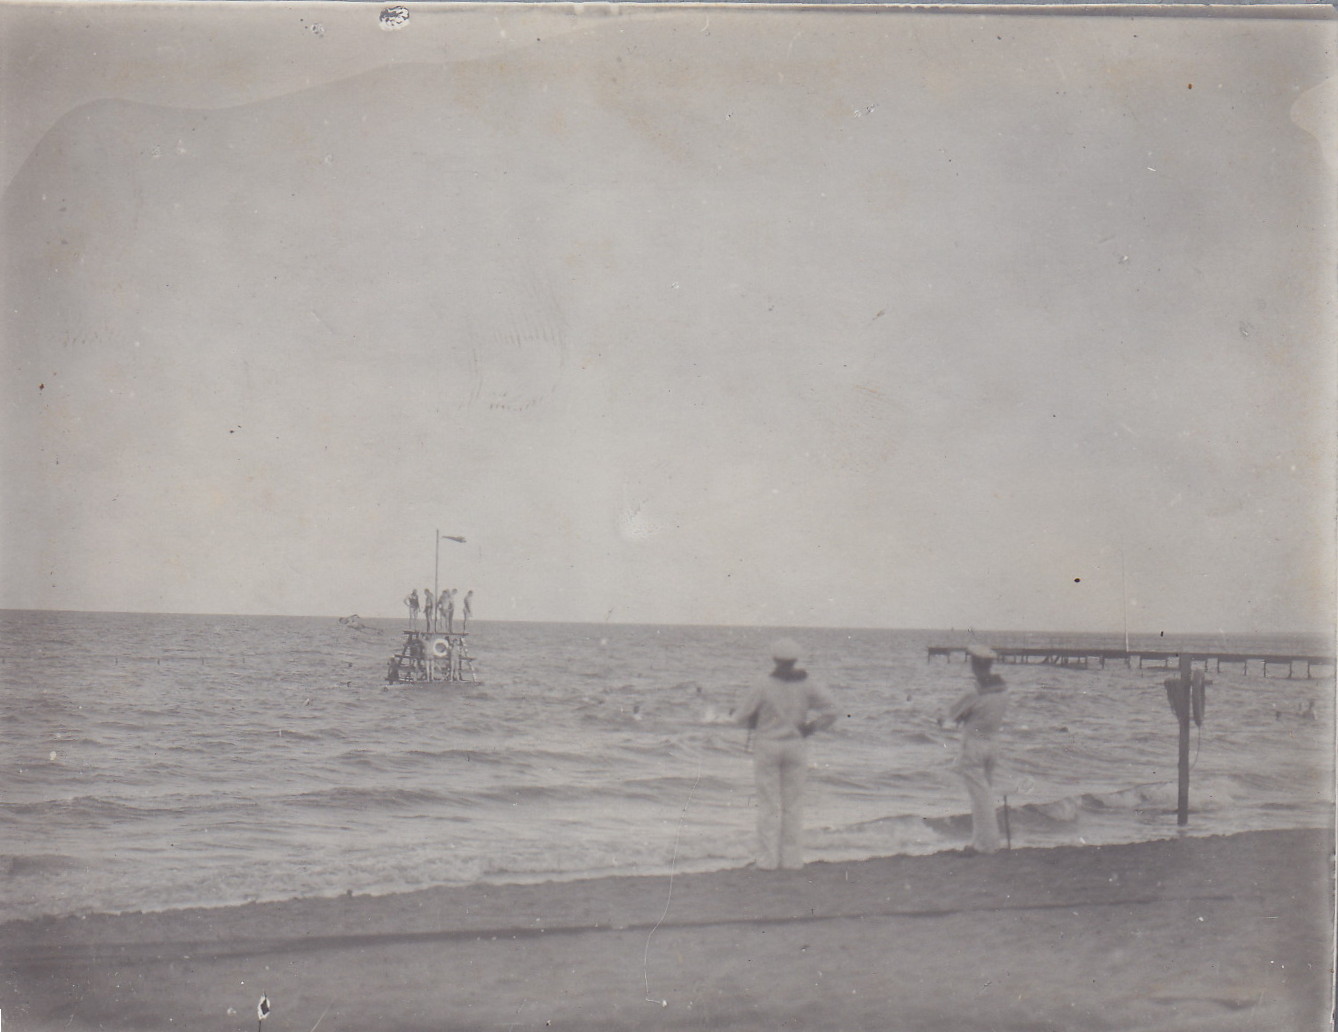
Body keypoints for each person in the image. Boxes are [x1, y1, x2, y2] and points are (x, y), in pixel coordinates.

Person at [734, 638, 838, 871]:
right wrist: (812, 727)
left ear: (774, 659)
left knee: (769, 805)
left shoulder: (763, 684)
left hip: (768, 746)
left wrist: (755, 718)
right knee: (793, 805)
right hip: (796, 746)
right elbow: (833, 710)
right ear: (794, 660)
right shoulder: (808, 683)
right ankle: (792, 861)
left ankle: (767, 861)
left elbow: (740, 716)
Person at [944, 643, 1009, 855]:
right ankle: (982, 841)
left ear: (974, 665)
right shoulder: (1002, 690)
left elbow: (951, 716)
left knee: (979, 797)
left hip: (974, 745)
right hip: (993, 744)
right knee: (985, 793)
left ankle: (985, 845)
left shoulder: (973, 692)